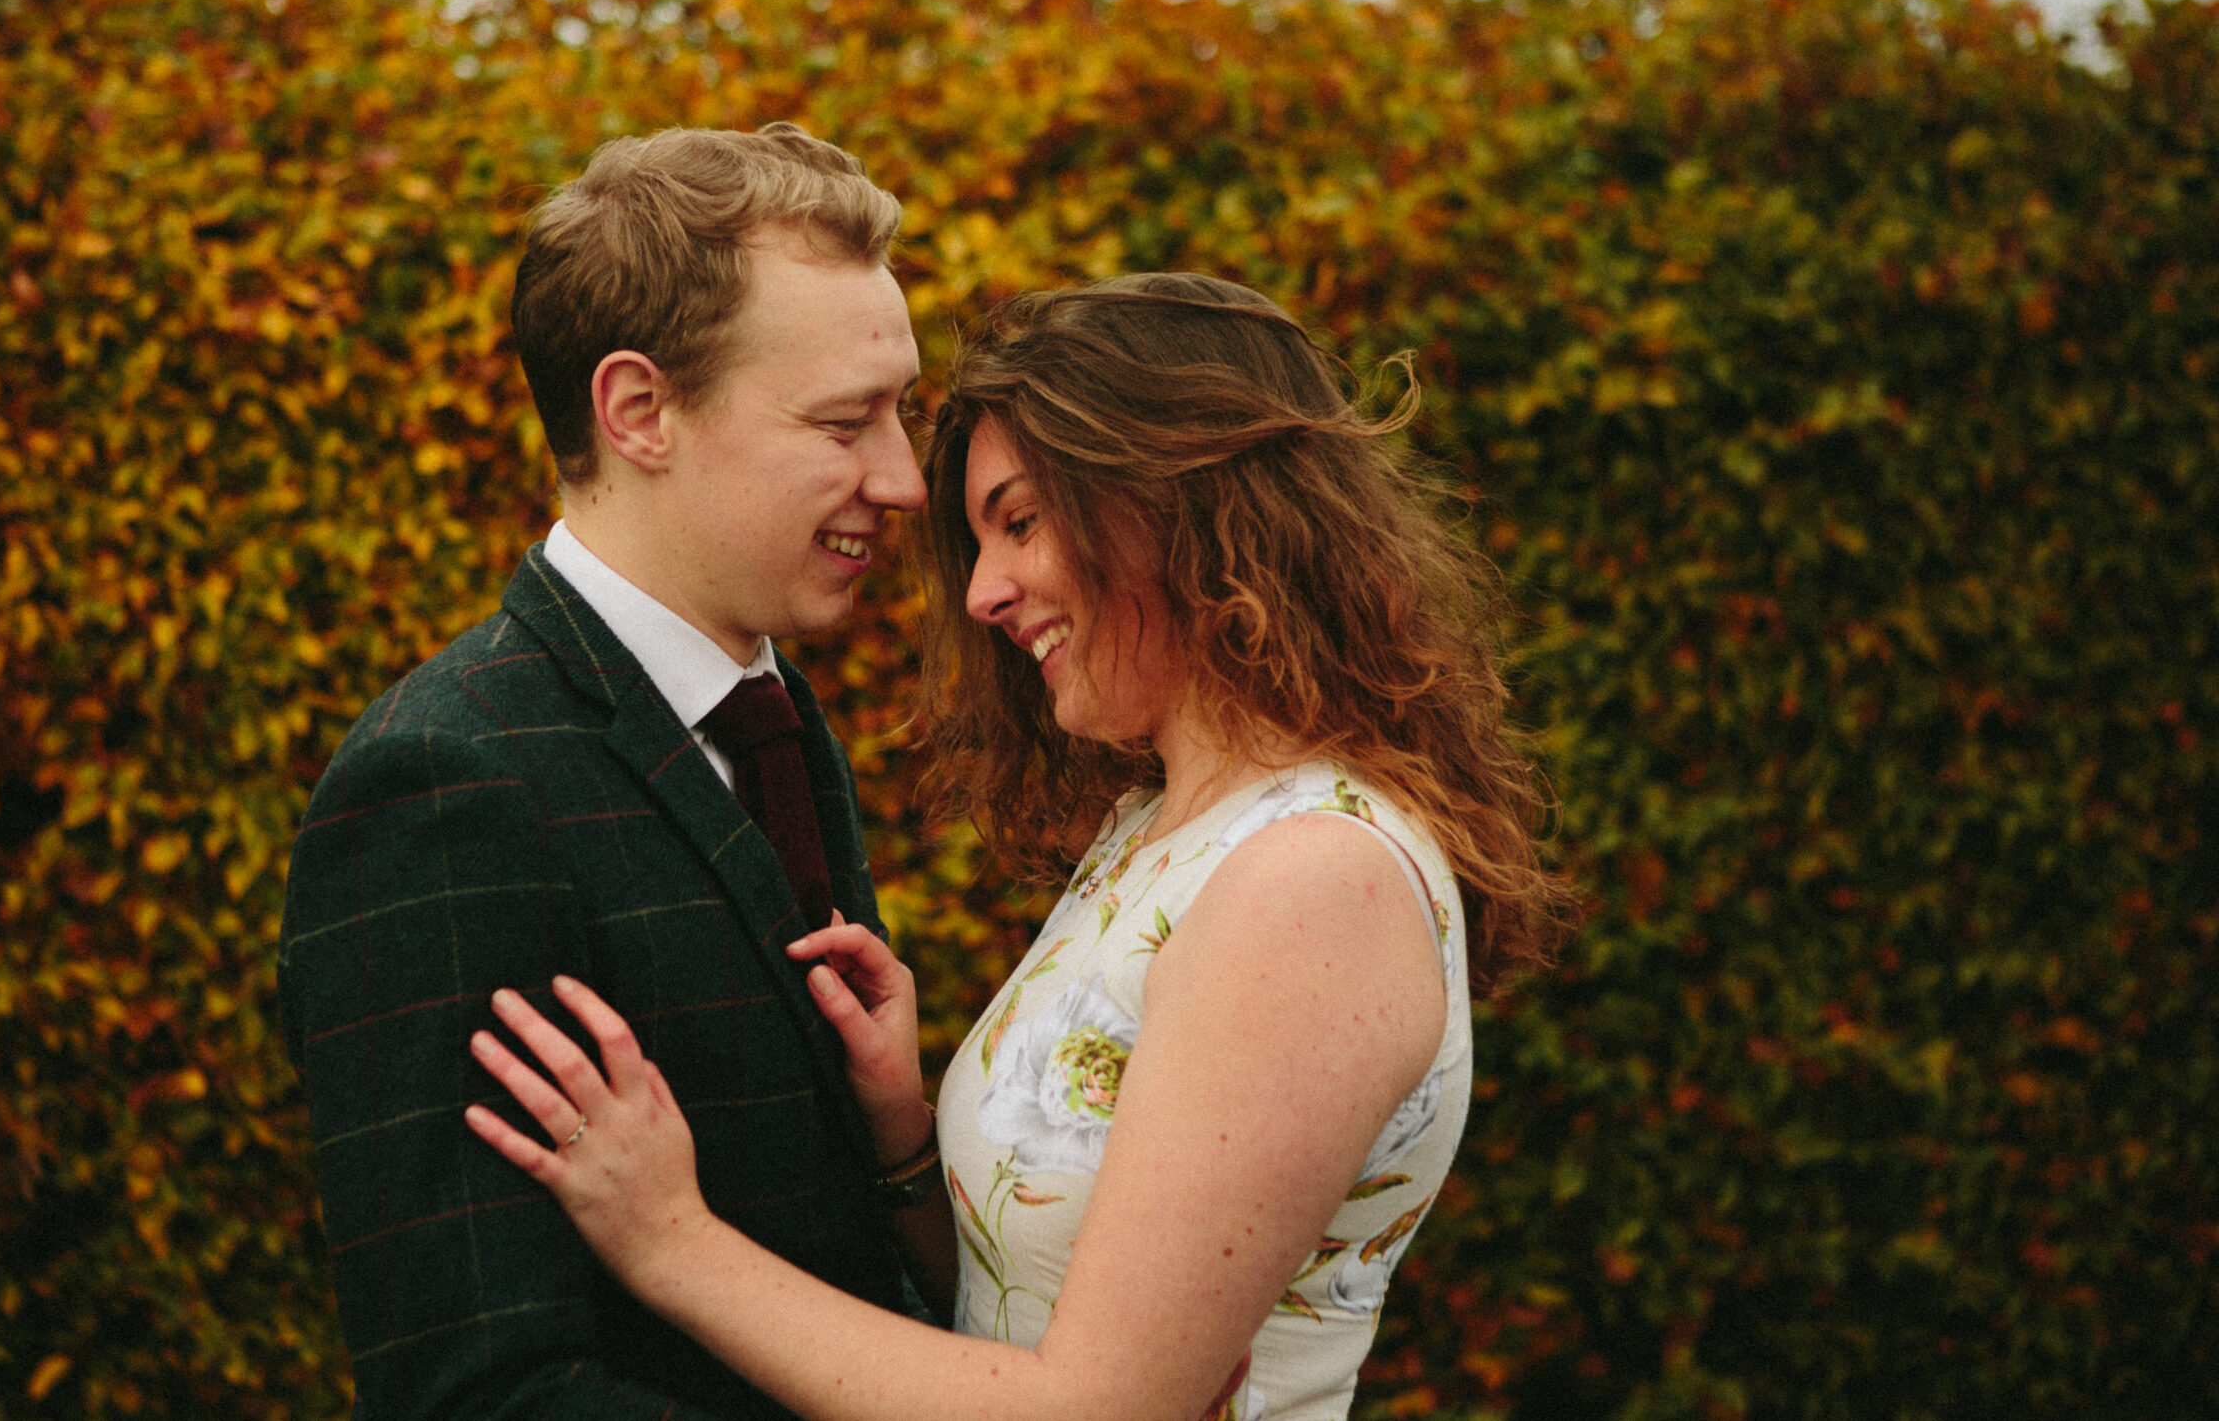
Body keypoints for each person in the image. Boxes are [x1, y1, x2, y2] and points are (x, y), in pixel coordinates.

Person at [463, 274, 1572, 1421]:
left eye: (1022, 522)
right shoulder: (1159, 832)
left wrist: (670, 1243)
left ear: (1183, 502)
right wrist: (901, 1131)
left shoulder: (1310, 879)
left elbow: (1090, 1405)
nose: (985, 592)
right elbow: (1031, 1313)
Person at [278, 123, 937, 1420]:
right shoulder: (443, 787)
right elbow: (477, 1392)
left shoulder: (774, 713)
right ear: (640, 411)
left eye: (900, 410)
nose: (905, 476)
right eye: (845, 420)